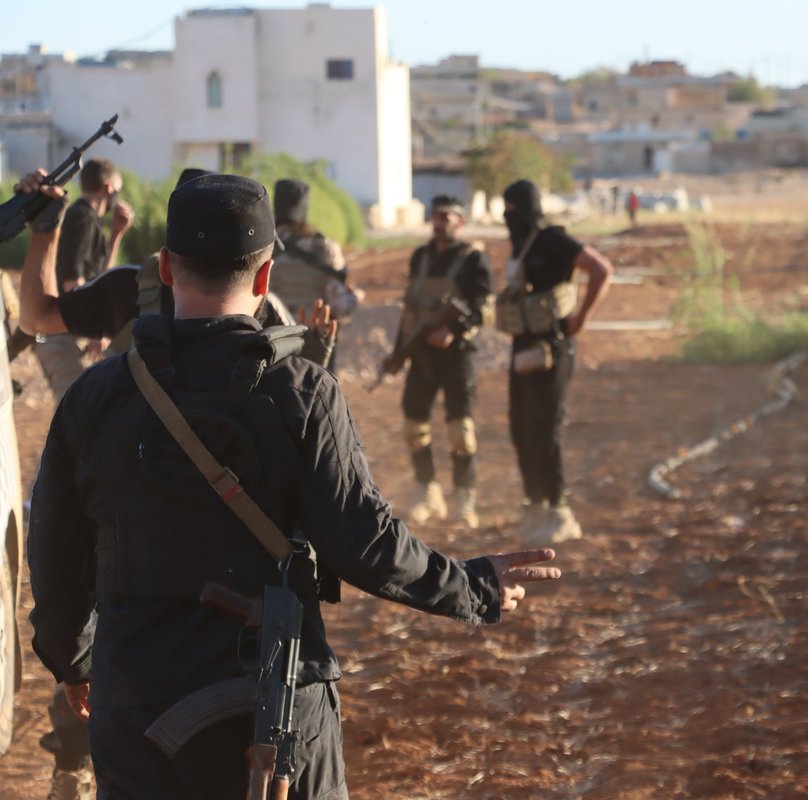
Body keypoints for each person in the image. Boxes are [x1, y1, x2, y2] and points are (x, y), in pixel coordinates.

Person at [18, 170, 560, 799]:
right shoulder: (302, 391)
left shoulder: (94, 397)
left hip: (137, 704)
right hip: (272, 704)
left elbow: (54, 552)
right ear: (266, 275)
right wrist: (473, 587)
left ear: (165, 268)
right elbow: (366, 543)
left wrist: (74, 660)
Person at [19, 168, 336, 369]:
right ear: (263, 277)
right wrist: (313, 371)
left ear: (166, 265)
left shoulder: (127, 288)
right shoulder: (273, 318)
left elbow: (36, 318)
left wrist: (46, 227)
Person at [496, 180, 612, 544]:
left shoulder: (552, 241)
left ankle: (560, 511)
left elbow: (600, 269)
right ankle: (535, 505)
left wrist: (581, 319)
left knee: (545, 427)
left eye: (513, 208)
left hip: (552, 346)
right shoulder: (519, 245)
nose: (507, 216)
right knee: (521, 427)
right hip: (522, 346)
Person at [381, 196, 493, 527]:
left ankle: (463, 499)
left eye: (446, 216)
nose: (439, 222)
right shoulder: (421, 257)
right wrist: (399, 352)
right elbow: (411, 310)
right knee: (414, 427)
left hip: (457, 356)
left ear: (460, 221)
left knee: (461, 430)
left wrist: (454, 331)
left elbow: (483, 307)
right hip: (421, 356)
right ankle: (427, 492)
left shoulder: (474, 259)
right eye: (436, 215)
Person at [36, 158, 134, 401]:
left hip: (71, 333)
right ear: (109, 187)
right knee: (75, 422)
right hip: (65, 336)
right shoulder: (82, 218)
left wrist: (116, 236)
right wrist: (93, 328)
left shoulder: (88, 219)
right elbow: (72, 280)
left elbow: (101, 282)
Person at [269, 178, 362, 369]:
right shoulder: (323, 247)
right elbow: (339, 306)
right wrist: (355, 298)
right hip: (314, 346)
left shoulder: (261, 246)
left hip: (272, 346)